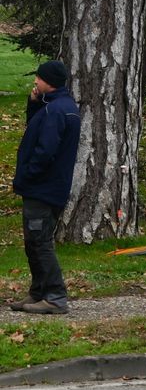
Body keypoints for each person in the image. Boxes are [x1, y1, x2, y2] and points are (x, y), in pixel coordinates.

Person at [10, 60, 81, 315]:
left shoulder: (56, 111)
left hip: (43, 187)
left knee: (40, 242)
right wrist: (33, 102)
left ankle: (55, 295)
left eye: (38, 79)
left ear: (48, 81)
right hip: (50, 186)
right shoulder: (59, 106)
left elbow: (45, 150)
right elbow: (35, 127)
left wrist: (29, 175)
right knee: (33, 241)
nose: (35, 82)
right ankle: (38, 292)